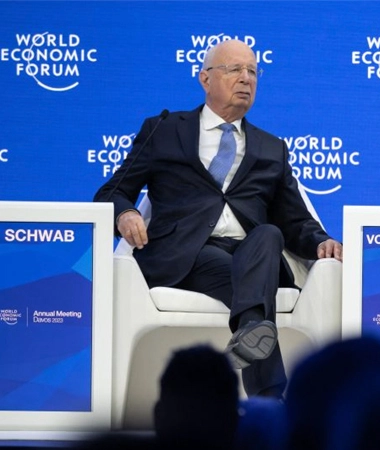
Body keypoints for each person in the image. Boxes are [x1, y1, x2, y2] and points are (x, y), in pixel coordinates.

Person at [94, 38, 343, 399]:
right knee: (248, 287)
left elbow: (295, 221)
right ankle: (268, 393)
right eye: (234, 69)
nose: (246, 78)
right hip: (184, 254)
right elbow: (112, 192)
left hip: (252, 255)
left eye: (253, 71)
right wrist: (127, 212)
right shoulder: (164, 130)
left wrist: (322, 242)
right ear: (205, 78)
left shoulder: (271, 148)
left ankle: (253, 335)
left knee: (269, 233)